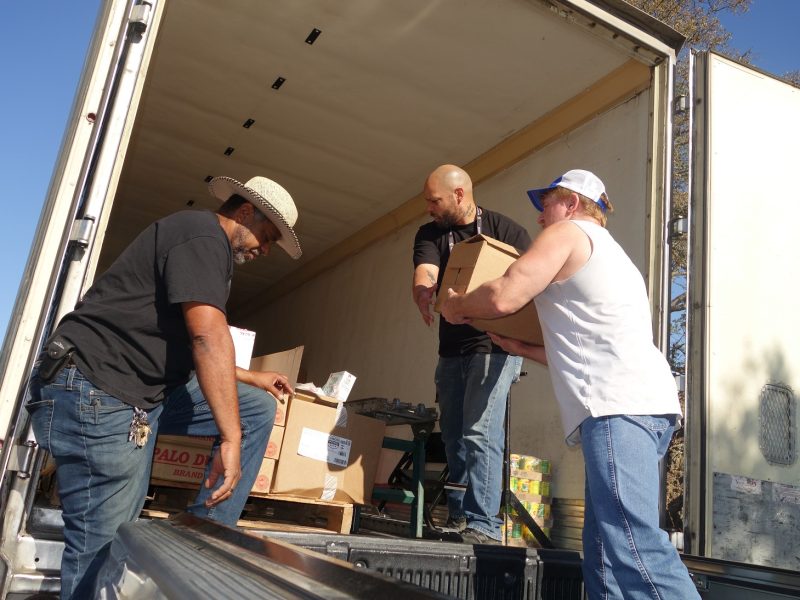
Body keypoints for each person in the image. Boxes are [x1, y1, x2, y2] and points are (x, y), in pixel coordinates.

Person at [26, 175, 302, 599]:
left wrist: (250, 377)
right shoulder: (201, 235)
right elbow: (208, 337)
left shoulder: (205, 248)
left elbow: (182, 342)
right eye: (266, 237)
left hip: (140, 393)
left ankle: (207, 530)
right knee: (102, 546)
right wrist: (230, 437)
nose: (264, 250)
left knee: (256, 407)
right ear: (245, 211)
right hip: (97, 391)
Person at [440, 169, 700, 597]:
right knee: (601, 549)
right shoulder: (615, 258)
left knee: (633, 543)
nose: (541, 219)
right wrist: (520, 348)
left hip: (619, 408)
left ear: (573, 203)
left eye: (546, 205)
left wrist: (457, 304)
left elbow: (506, 293)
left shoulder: (569, 234)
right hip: (643, 407)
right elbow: (584, 343)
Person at [412, 164, 530, 544]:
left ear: (459, 194)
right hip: (451, 350)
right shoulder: (430, 233)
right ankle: (461, 517)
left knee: (481, 431)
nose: (429, 207)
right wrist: (424, 291)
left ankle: (485, 525)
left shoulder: (505, 231)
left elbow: (532, 285)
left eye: (434, 200)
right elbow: (426, 271)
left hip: (495, 347)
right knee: (452, 436)